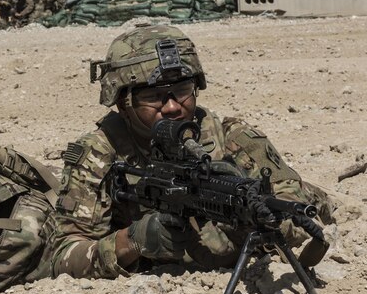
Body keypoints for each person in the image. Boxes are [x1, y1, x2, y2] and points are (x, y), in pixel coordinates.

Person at [44, 25, 335, 279]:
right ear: (123, 104)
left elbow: (293, 210)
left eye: (182, 91)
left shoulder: (231, 136)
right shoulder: (99, 153)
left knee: (314, 200)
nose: (172, 107)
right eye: (153, 97)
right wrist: (132, 242)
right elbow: (63, 257)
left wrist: (249, 222)